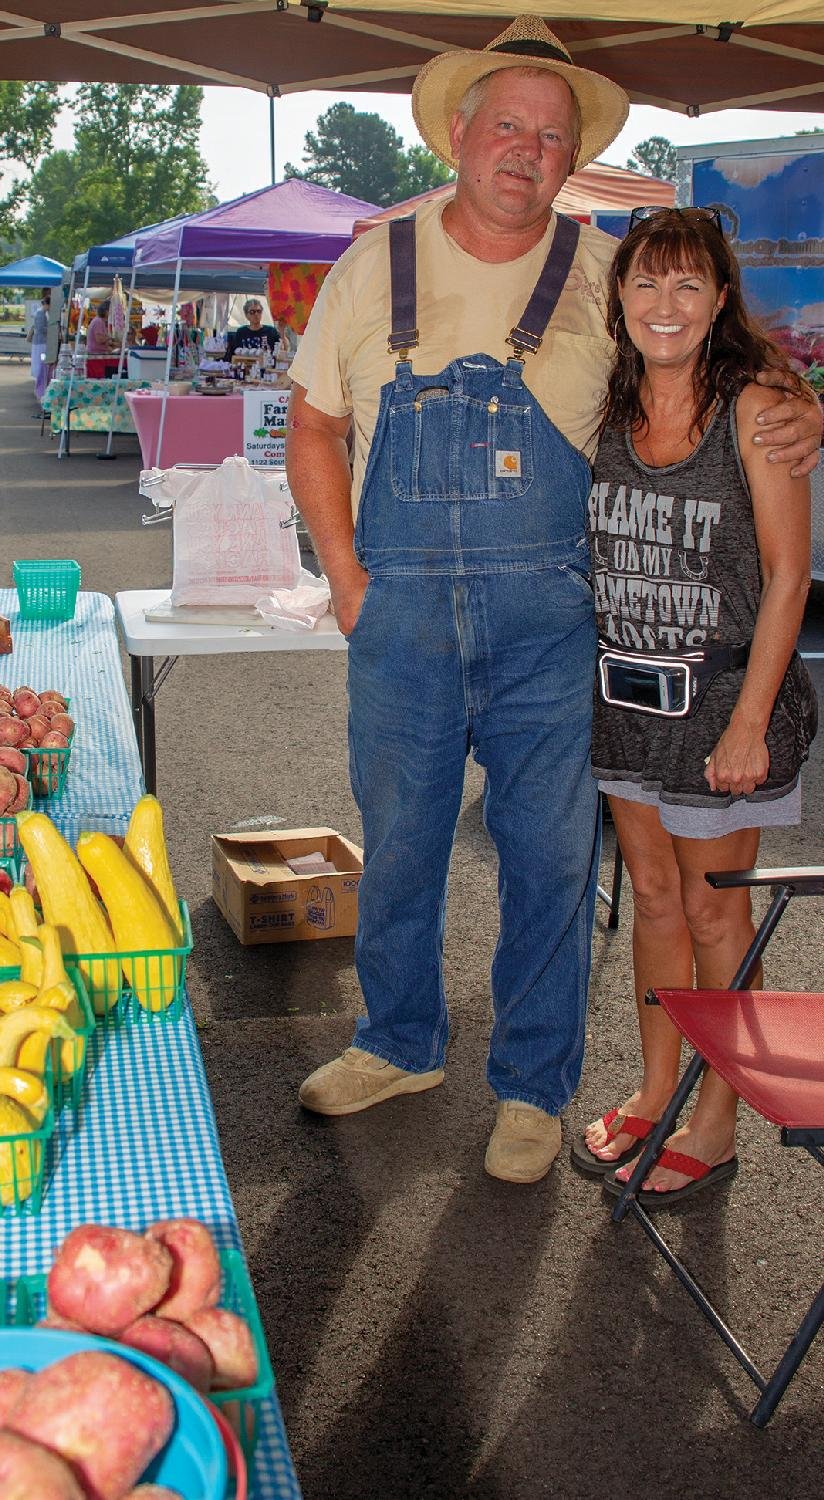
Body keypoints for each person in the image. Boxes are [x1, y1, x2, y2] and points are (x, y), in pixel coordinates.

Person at [285, 16, 822, 1185]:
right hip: (402, 614)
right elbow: (315, 425)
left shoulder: (604, 268)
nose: (526, 150)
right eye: (508, 127)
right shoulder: (372, 261)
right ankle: (397, 1041)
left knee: (546, 862)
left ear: (568, 156)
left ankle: (532, 1084)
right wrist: (346, 581)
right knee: (405, 844)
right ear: (460, 135)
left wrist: (799, 403)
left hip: (553, 619)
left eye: (550, 135)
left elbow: (711, 357)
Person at [571, 207, 818, 1205]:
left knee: (719, 920)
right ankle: (656, 1086)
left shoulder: (756, 406)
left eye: (686, 286)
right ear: (618, 297)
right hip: (624, 698)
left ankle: (714, 1125)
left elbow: (789, 574)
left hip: (721, 704)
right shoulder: (607, 405)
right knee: (655, 897)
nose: (663, 305)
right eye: (645, 283)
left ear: (719, 300)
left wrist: (751, 721)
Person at [29, 292, 51, 405]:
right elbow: (41, 329)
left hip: (40, 342)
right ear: (47, 304)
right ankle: (39, 387)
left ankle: (39, 386)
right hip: (40, 342)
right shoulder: (41, 313)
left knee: (39, 364)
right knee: (39, 364)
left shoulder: (41, 313)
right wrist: (51, 331)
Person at [85, 298, 113, 378]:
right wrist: (109, 337)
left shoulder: (99, 321)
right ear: (106, 311)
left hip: (96, 355)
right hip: (95, 356)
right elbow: (99, 340)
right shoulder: (98, 322)